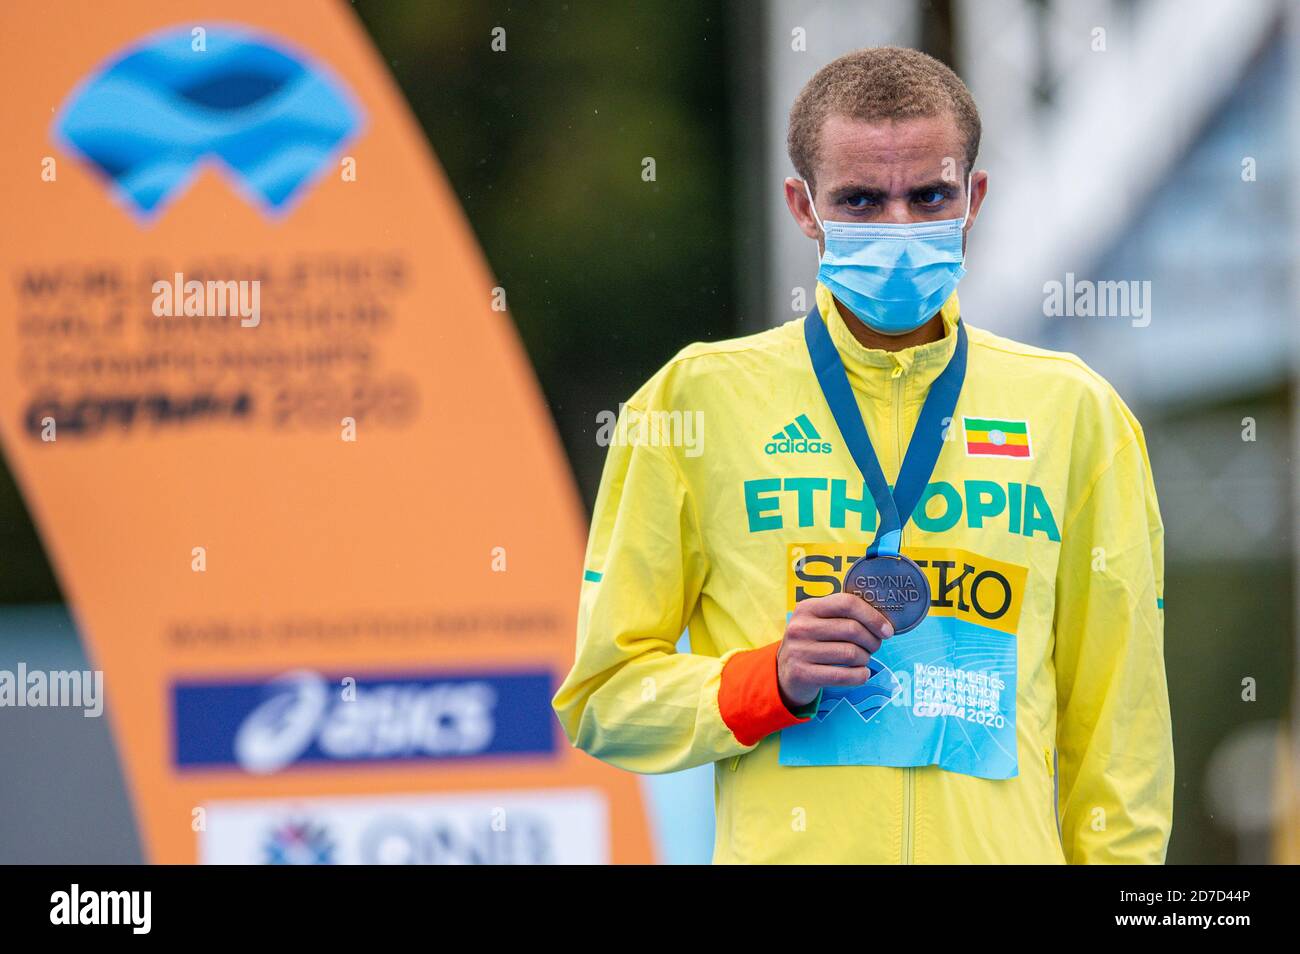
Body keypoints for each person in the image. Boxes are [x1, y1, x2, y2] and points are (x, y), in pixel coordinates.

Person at [553, 46, 1173, 864]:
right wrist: (770, 680)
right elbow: (602, 700)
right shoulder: (692, 403)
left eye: (928, 196)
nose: (899, 228)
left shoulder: (1075, 414)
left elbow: (1118, 735)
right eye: (860, 201)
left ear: (973, 196)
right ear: (803, 208)